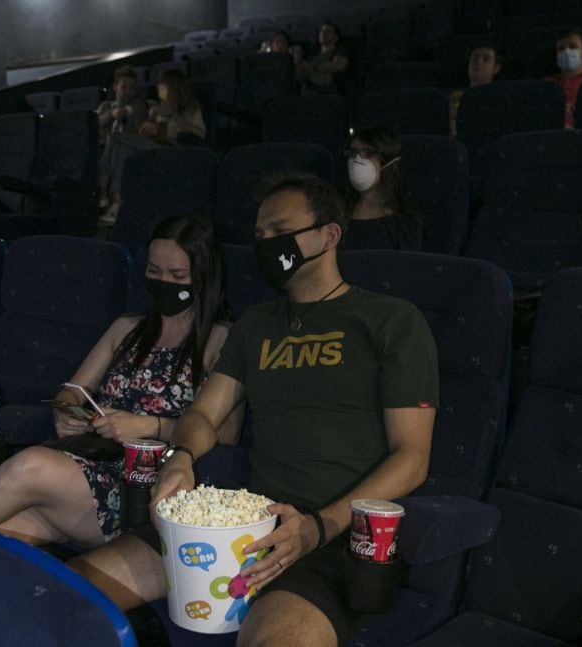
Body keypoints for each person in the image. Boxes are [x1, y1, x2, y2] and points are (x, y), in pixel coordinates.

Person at [69, 173, 439, 646]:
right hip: (242, 518)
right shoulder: (258, 324)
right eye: (260, 235)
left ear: (329, 235)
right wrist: (181, 458)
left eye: (281, 231)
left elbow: (413, 457)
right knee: (70, 592)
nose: (267, 244)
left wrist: (318, 527)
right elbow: (204, 415)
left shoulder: (390, 320)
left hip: (331, 533)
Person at [0, 213, 242, 548]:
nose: (163, 282)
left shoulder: (221, 339)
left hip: (142, 484)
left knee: (29, 466)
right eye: (154, 272)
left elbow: (226, 433)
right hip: (85, 463)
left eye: (177, 275)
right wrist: (67, 412)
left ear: (202, 277)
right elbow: (73, 390)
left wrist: (144, 426)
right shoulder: (127, 328)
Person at [98, 69, 206, 224]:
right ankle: (116, 205)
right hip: (154, 146)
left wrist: (173, 115)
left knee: (116, 137)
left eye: (162, 88)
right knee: (123, 147)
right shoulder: (158, 107)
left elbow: (201, 134)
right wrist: (151, 120)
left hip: (174, 151)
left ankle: (102, 190)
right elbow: (143, 134)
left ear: (172, 88)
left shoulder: (190, 108)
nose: (159, 91)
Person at [340, 128, 425, 251]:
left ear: (390, 163)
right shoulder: (334, 213)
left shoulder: (405, 223)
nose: (357, 160)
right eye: (352, 153)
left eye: (368, 153)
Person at [449, 43, 502, 137]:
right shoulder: (455, 96)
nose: (479, 62)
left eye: (486, 59)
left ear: (496, 68)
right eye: (475, 58)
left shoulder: (500, 98)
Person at [96, 66, 150, 145]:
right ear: (115, 87)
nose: (128, 91)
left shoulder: (141, 106)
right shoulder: (106, 106)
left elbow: (141, 132)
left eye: (132, 88)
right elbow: (95, 124)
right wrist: (111, 115)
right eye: (124, 87)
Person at [295, 20, 350, 94]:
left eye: (328, 31)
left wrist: (313, 68)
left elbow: (338, 65)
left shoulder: (340, 51)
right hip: (308, 93)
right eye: (321, 31)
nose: (323, 33)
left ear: (336, 38)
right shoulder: (312, 56)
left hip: (328, 93)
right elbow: (299, 77)